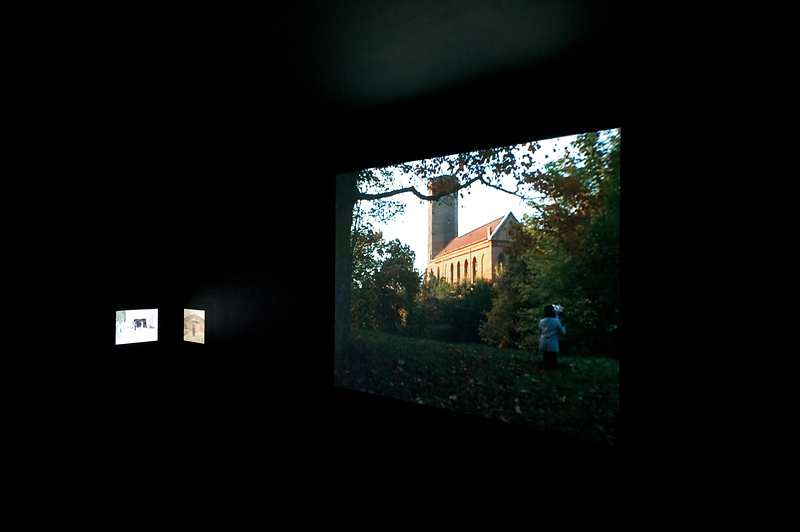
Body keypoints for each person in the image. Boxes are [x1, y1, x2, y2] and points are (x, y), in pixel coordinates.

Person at [539, 304, 566, 370]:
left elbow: (540, 332)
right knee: (552, 360)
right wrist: (563, 326)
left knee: (545, 358)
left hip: (543, 342)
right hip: (553, 343)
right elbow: (563, 332)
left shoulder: (542, 321)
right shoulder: (556, 321)